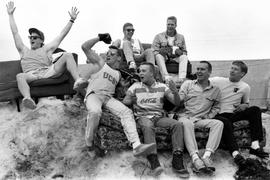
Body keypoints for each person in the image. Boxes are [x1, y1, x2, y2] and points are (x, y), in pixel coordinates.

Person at [81, 34, 156, 157]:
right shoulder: (101, 63)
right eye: (108, 53)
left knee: (127, 112)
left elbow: (126, 87)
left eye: (112, 54)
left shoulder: (119, 74)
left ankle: (136, 146)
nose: (108, 55)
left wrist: (134, 80)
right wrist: (99, 38)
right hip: (94, 95)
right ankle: (89, 144)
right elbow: (85, 47)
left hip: (108, 98)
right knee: (95, 112)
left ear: (119, 59)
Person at [6, 1, 88, 110]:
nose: (31, 39)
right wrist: (10, 15)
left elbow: (61, 34)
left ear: (41, 40)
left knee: (68, 55)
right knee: (19, 76)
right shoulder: (23, 50)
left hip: (47, 71)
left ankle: (78, 80)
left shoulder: (47, 49)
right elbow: (15, 32)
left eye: (35, 37)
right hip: (31, 74)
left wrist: (72, 20)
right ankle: (28, 99)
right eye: (30, 37)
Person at [123, 62, 189, 178]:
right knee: (148, 126)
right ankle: (153, 160)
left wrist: (174, 91)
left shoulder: (162, 87)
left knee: (177, 124)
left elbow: (176, 102)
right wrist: (131, 99)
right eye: (139, 71)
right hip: (142, 117)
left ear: (152, 73)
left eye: (144, 71)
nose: (140, 73)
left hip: (158, 117)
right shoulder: (135, 86)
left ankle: (177, 158)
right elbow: (125, 101)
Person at [210, 61, 269, 165]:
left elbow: (246, 102)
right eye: (231, 68)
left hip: (233, 114)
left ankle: (255, 145)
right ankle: (235, 153)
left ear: (242, 74)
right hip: (218, 114)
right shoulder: (218, 81)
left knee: (255, 109)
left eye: (235, 69)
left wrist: (245, 105)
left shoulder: (245, 87)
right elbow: (202, 80)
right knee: (225, 122)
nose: (232, 70)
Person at [178, 61, 223, 175]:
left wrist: (209, 116)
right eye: (197, 69)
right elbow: (178, 100)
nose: (198, 71)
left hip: (201, 120)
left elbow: (217, 107)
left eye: (202, 69)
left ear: (209, 72)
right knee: (187, 123)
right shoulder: (188, 84)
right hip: (186, 117)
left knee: (218, 124)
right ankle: (195, 159)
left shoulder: (215, 89)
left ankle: (207, 156)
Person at [152, 16, 189, 84]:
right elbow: (154, 51)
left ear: (175, 25)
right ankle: (166, 77)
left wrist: (180, 52)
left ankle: (181, 79)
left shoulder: (181, 37)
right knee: (158, 56)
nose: (170, 26)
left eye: (172, 24)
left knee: (184, 57)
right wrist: (162, 51)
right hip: (165, 57)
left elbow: (185, 51)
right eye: (168, 24)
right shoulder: (159, 36)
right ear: (166, 25)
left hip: (176, 57)